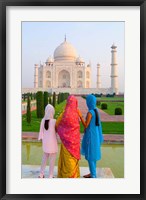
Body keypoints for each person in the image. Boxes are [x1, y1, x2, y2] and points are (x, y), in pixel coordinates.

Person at [78, 94, 104, 178]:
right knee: (93, 156)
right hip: (95, 135)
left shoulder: (90, 113)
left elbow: (86, 125)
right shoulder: (96, 111)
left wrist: (80, 116)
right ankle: (92, 173)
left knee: (90, 157)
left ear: (89, 102)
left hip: (91, 136)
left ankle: (93, 175)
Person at [56, 95, 81, 178]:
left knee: (66, 160)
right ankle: (74, 175)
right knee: (73, 159)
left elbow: (57, 124)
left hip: (66, 142)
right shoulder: (77, 113)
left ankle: (65, 175)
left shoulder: (64, 114)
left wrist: (61, 131)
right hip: (75, 142)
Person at [38, 104, 58, 178]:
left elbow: (41, 132)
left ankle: (41, 174)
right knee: (52, 160)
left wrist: (42, 140)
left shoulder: (43, 120)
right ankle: (50, 175)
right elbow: (57, 131)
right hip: (53, 144)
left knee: (44, 158)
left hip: (46, 143)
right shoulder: (54, 121)